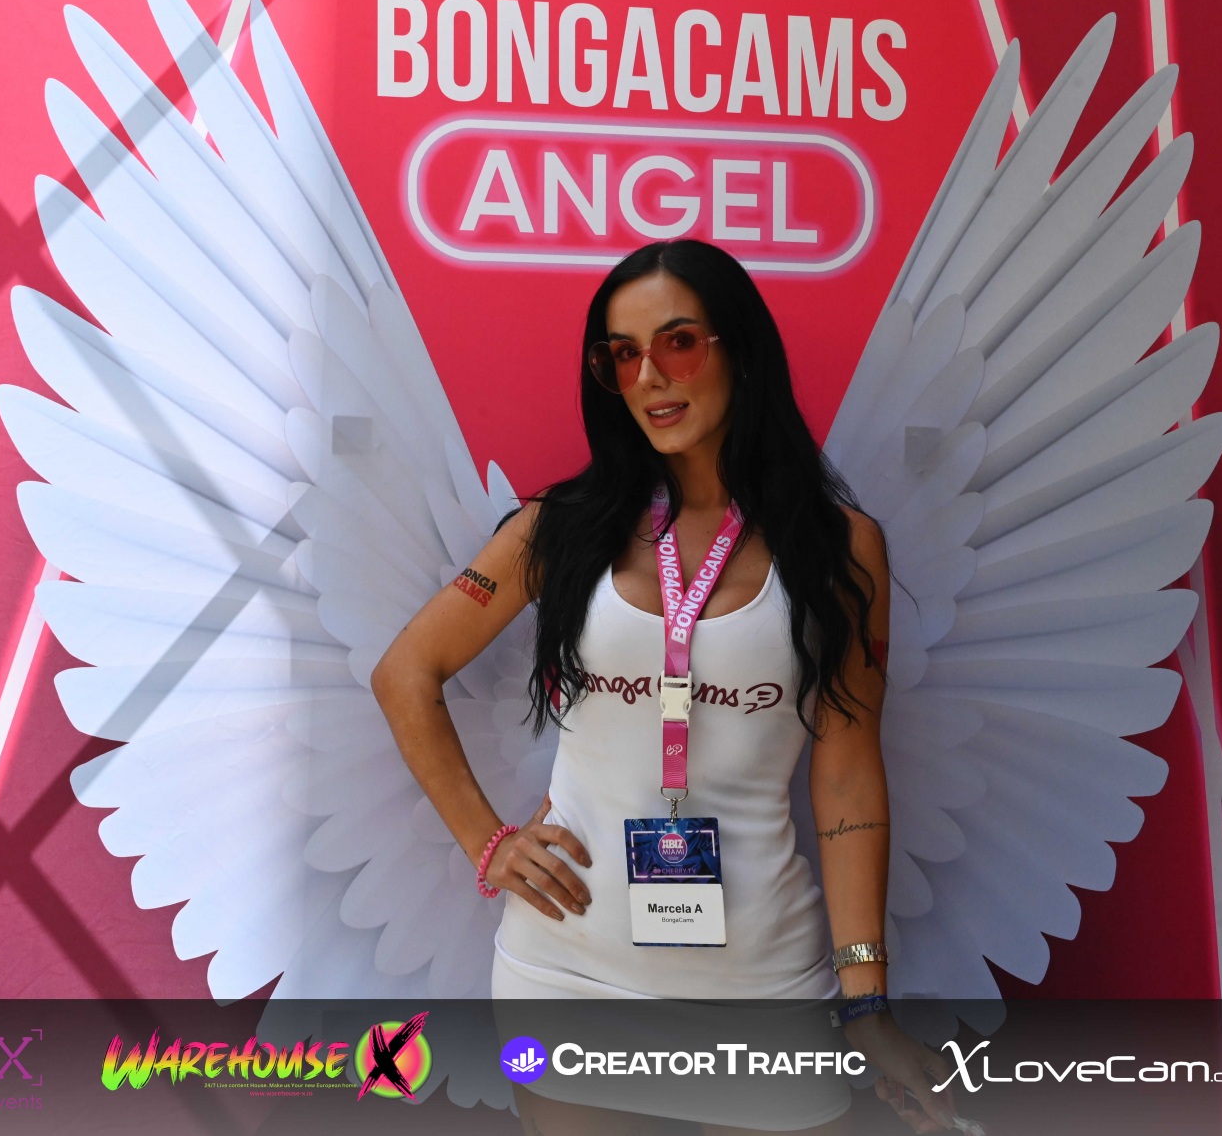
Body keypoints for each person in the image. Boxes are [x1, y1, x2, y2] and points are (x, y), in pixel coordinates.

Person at [372, 240, 959, 1132]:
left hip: (763, 985)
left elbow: (846, 778)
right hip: (565, 977)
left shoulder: (841, 550)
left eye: (679, 342)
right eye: (622, 354)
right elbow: (405, 672)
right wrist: (488, 844)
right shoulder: (559, 530)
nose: (649, 376)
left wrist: (865, 1001)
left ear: (740, 350)